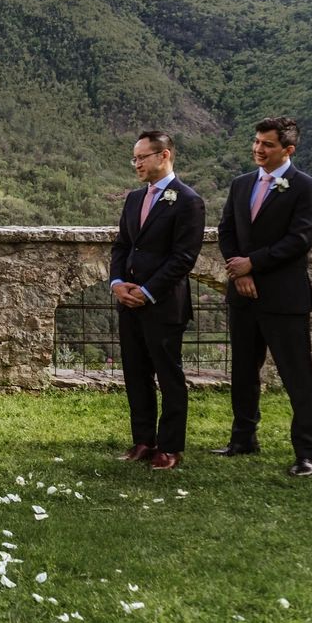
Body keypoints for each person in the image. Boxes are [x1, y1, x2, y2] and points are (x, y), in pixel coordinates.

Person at [213, 117, 312, 476]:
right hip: (242, 295)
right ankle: (243, 438)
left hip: (284, 297)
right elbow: (226, 229)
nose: (258, 149)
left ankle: (306, 452)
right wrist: (237, 269)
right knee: (244, 371)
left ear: (288, 150)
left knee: (298, 376)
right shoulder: (241, 184)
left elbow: (298, 241)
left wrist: (253, 265)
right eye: (256, 142)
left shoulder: (307, 189)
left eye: (267, 144)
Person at [108, 129, 204, 470]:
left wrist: (147, 292)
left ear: (164, 156)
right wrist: (118, 283)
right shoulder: (134, 199)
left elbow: (183, 257)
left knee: (168, 375)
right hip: (128, 301)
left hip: (163, 304)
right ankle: (143, 441)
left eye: (142, 157)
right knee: (136, 373)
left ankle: (171, 446)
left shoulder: (189, 200)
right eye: (134, 158)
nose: (136, 164)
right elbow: (122, 245)